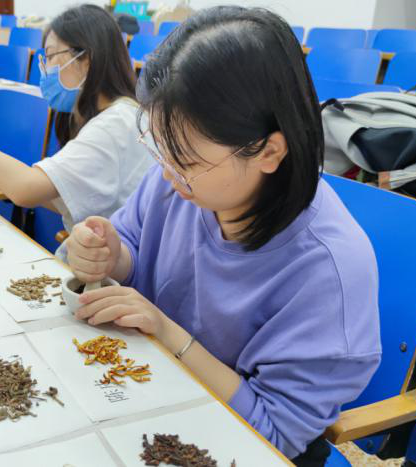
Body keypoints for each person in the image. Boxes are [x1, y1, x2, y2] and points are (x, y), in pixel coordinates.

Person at [64, 7, 381, 465]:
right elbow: (134, 242)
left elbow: (274, 435)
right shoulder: (180, 180)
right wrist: (112, 256)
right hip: (152, 389)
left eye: (186, 160)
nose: (167, 172)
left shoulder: (329, 270)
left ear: (268, 151)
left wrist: (168, 334)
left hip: (236, 441)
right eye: (160, 148)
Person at [0, 4, 154, 258]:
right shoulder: (118, 116)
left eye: (50, 57)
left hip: (107, 269)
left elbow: (25, 189)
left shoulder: (115, 124)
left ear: (86, 59)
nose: (45, 69)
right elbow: (66, 196)